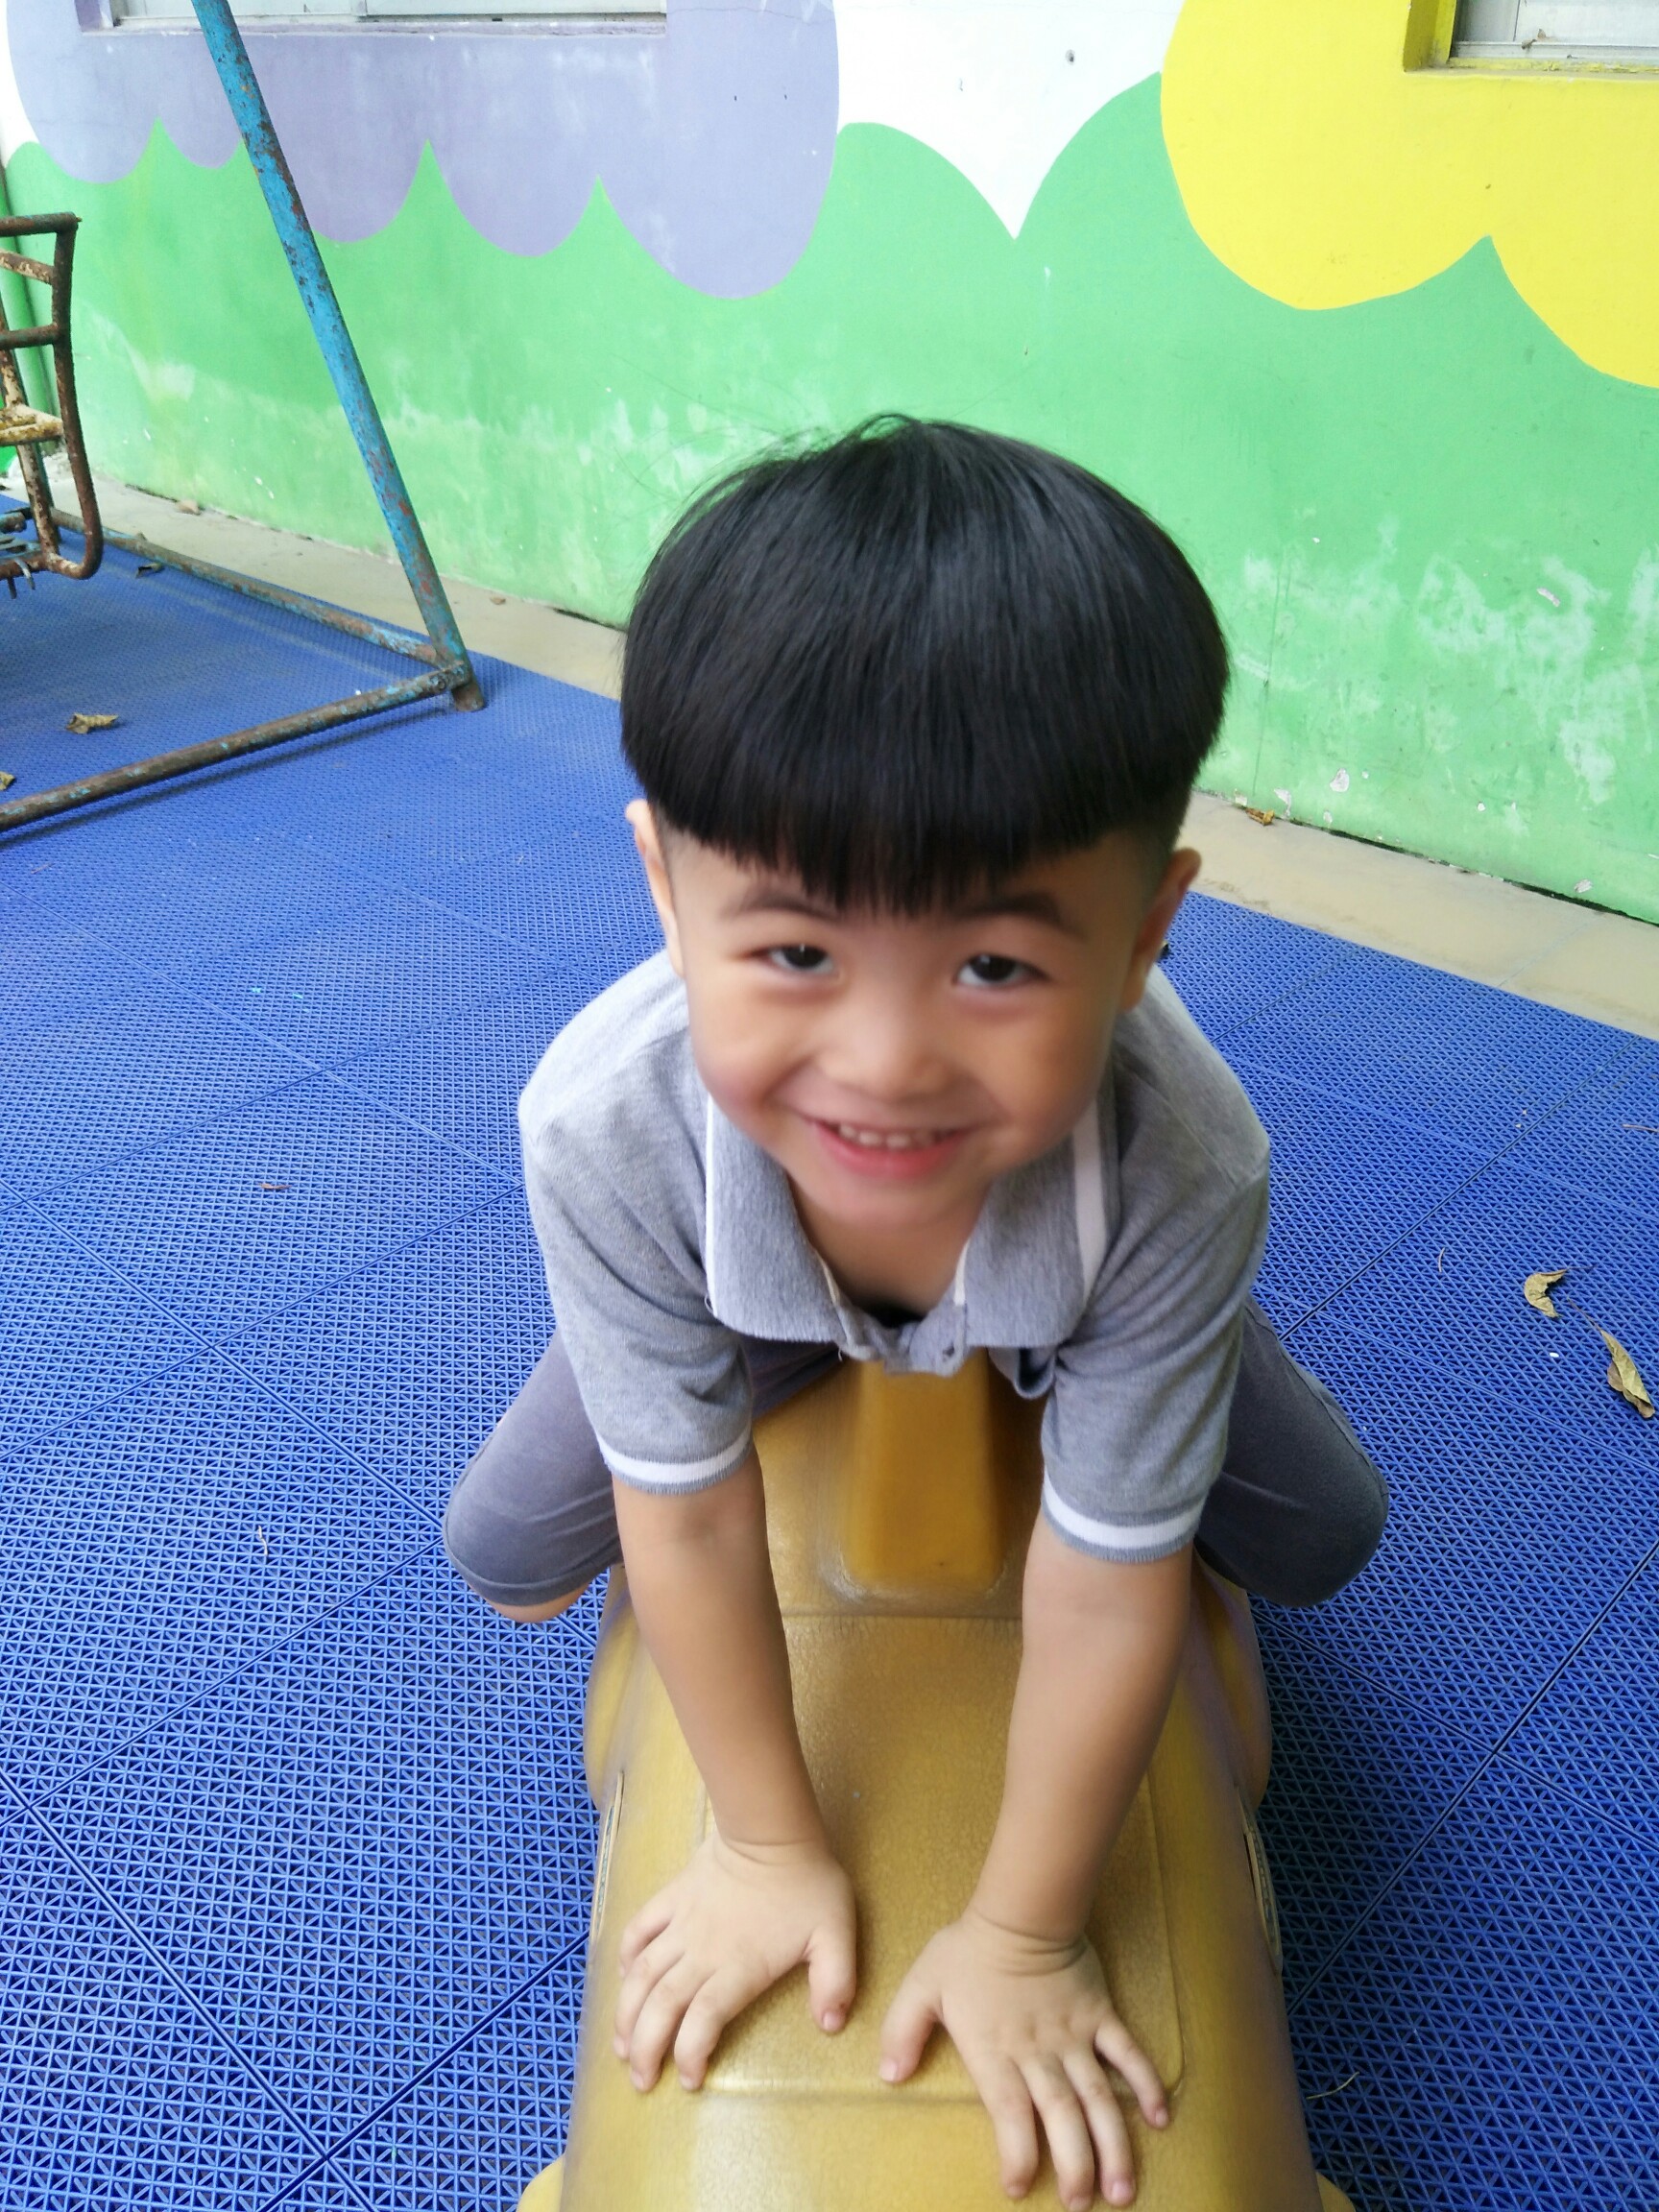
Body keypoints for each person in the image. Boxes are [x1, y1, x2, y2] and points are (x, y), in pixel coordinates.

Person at [443, 419, 1387, 2210]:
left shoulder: (1181, 1165)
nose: (885, 1065)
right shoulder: (606, 1126)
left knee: (1324, 1537)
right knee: (504, 1547)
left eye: (995, 965)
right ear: (665, 889)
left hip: (1078, 1294)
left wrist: (1027, 1932)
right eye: (796, 950)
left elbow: (1108, 1581)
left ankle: (1153, 1359)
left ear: (1148, 931)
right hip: (744, 1299)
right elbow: (687, 1518)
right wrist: (763, 1843)